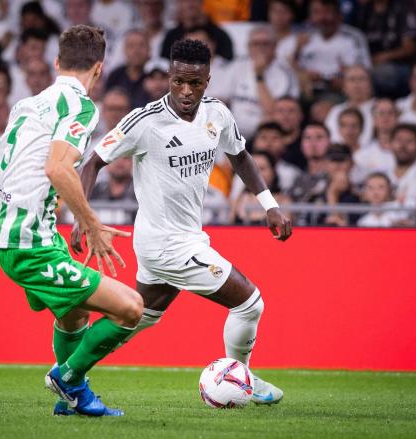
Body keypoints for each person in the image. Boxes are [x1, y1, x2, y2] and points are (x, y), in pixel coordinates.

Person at [0, 25, 143, 418]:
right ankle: (69, 378)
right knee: (131, 309)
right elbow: (58, 169)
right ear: (99, 69)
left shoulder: (27, 106)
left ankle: (72, 399)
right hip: (31, 247)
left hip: (18, 239)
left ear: (57, 62)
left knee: (75, 313)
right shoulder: (80, 107)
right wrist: (92, 225)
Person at [75, 39, 292, 405]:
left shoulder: (217, 114)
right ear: (169, 77)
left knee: (137, 316)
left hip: (186, 235)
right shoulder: (145, 121)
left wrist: (268, 204)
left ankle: (67, 370)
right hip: (165, 243)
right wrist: (83, 215)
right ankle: (243, 381)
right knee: (250, 303)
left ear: (208, 80)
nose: (186, 91)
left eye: (195, 83)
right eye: (178, 81)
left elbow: (240, 157)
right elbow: (92, 161)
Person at [223, 24, 299, 138]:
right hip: (233, 127)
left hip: (264, 130)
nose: (260, 48)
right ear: (248, 47)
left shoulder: (285, 72)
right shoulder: (236, 67)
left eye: (265, 44)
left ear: (275, 47)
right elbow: (222, 98)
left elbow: (276, 112)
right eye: (256, 44)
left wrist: (259, 75)